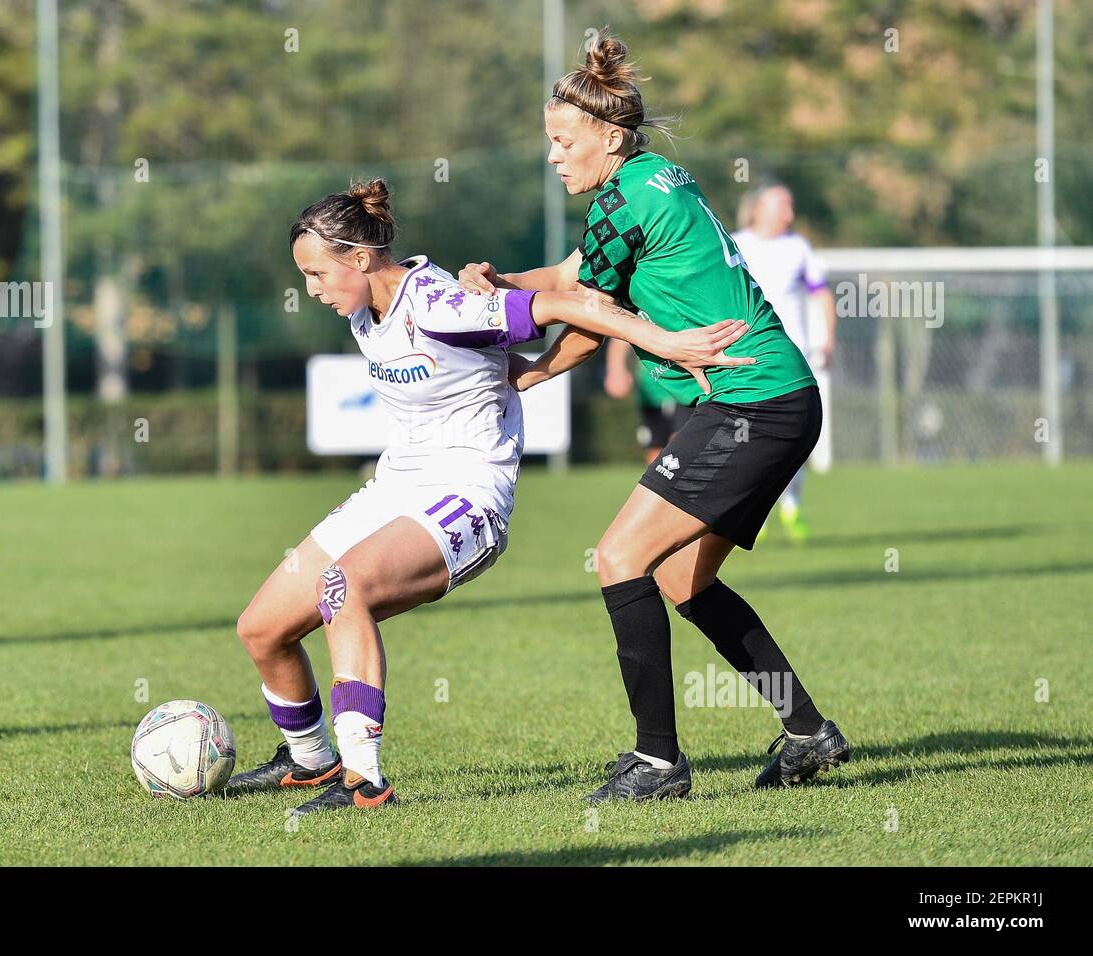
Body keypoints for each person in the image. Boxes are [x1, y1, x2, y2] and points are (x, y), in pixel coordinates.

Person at [225, 178, 753, 815]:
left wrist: (658, 340)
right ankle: (309, 759)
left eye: (316, 273)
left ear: (360, 259)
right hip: (394, 487)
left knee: (343, 587)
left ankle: (363, 780)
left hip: (467, 494)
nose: (310, 289)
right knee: (260, 630)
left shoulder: (441, 306)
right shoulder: (368, 304)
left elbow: (565, 303)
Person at [459, 33, 850, 801]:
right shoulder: (649, 180)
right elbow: (573, 281)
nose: (553, 157)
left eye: (562, 142)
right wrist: (501, 281)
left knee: (617, 559)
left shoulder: (625, 196)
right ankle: (808, 732)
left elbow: (588, 309)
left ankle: (658, 761)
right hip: (774, 399)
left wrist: (530, 370)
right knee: (679, 575)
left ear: (609, 137)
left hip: (753, 402)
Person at [732, 183, 837, 542]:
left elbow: (821, 294)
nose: (790, 215)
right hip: (747, 355)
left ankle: (791, 505)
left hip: (795, 358)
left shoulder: (798, 248)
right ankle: (752, 510)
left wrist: (828, 340)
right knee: (745, 436)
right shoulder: (735, 244)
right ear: (759, 207)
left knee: (796, 436)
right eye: (783, 206)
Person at [604, 336, 692, 463]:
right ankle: (661, 482)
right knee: (654, 450)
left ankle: (683, 481)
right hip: (649, 393)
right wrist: (616, 371)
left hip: (682, 388)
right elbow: (620, 336)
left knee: (680, 441)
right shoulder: (640, 316)